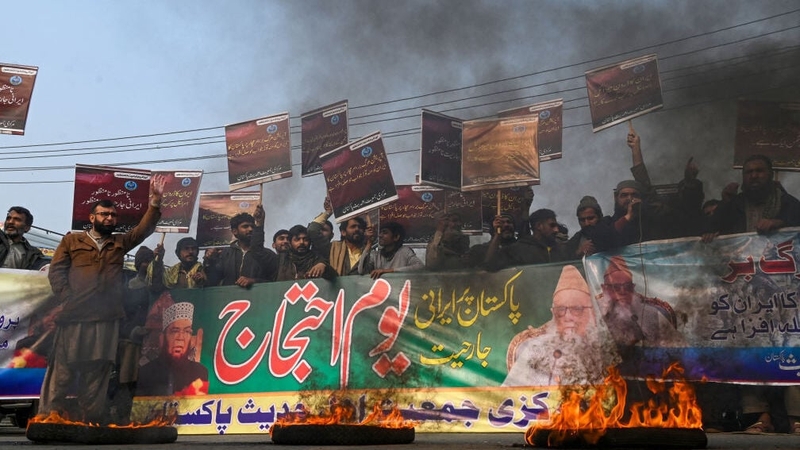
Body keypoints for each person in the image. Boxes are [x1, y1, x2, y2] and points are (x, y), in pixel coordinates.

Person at [39, 174, 165, 423]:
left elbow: (143, 230)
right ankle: (48, 417)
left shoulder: (120, 242)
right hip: (74, 315)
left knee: (97, 370)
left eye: (113, 215)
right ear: (92, 218)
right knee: (62, 369)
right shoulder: (71, 241)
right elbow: (57, 272)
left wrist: (155, 204)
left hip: (107, 316)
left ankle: (91, 419)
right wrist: (67, 298)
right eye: (104, 214)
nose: (109, 218)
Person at [700, 155, 800, 435]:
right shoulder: (733, 207)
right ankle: (760, 416)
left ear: (771, 175)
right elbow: (709, 230)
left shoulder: (790, 206)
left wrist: (780, 224)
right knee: (750, 350)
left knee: (791, 348)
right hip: (745, 297)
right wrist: (712, 233)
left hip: (786, 297)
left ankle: (797, 419)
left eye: (759, 171)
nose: (754, 176)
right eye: (749, 172)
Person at [503, 265, 618, 386]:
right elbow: (511, 395)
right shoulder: (536, 349)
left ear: (592, 313)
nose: (567, 316)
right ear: (553, 313)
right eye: (560, 309)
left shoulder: (602, 349)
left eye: (577, 309)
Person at [610, 128, 703, 246]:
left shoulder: (653, 220)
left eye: (634, 195)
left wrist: (636, 150)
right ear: (615, 198)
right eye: (624, 195)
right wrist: (628, 217)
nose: (630, 199)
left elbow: (645, 186)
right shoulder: (609, 224)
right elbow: (607, 237)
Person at [598, 256, 683, 350]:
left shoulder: (651, 314)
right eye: (616, 287)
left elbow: (676, 347)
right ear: (604, 288)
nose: (622, 292)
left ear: (633, 287)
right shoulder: (596, 318)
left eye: (627, 286)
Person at [136, 302, 208, 396]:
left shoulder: (199, 372)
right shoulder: (146, 372)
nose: (180, 337)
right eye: (174, 331)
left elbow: (198, 407)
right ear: (162, 338)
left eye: (187, 331)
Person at [203, 204, 278, 287]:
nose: (250, 229)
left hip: (258, 298)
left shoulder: (267, 255)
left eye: (252, 226)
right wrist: (210, 261)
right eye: (245, 226)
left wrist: (254, 281)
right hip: (229, 299)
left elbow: (274, 282)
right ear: (235, 231)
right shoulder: (224, 254)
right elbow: (213, 281)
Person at [486, 208, 570, 270]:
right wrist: (497, 235)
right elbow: (491, 265)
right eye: (552, 225)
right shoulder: (519, 249)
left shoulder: (559, 250)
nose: (556, 230)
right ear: (539, 226)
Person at [308, 198, 373, 276]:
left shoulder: (369, 251)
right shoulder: (332, 248)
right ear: (343, 232)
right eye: (353, 227)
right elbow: (313, 230)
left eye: (360, 227)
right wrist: (328, 212)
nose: (357, 229)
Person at [359, 221, 424, 279]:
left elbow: (420, 267)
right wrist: (369, 243)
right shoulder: (376, 255)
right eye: (380, 232)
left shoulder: (405, 252)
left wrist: (388, 271)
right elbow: (361, 271)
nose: (380, 235)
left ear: (396, 237)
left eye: (385, 233)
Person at [0, 206, 48, 270]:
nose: (10, 222)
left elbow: (41, 268)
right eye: (8, 218)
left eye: (17, 219)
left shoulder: (33, 254)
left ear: (27, 228)